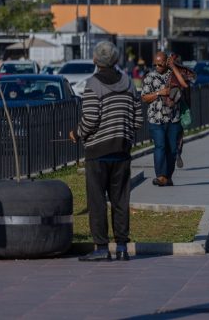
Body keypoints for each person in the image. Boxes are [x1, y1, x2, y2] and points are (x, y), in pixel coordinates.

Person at [71, 41, 142, 261]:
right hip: (121, 150)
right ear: (117, 60)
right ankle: (122, 246)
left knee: (97, 201)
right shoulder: (129, 83)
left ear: (95, 61)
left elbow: (91, 119)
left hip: (98, 152)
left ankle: (101, 247)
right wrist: (125, 133)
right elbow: (138, 119)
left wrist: (77, 132)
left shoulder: (93, 84)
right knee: (121, 200)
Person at [141, 51, 188, 187]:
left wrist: (173, 67)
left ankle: (168, 176)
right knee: (160, 146)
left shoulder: (173, 75)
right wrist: (159, 93)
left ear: (166, 63)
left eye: (160, 64)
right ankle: (160, 176)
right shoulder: (150, 77)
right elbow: (144, 97)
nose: (157, 67)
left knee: (172, 149)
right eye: (155, 64)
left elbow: (184, 84)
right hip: (156, 119)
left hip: (173, 119)